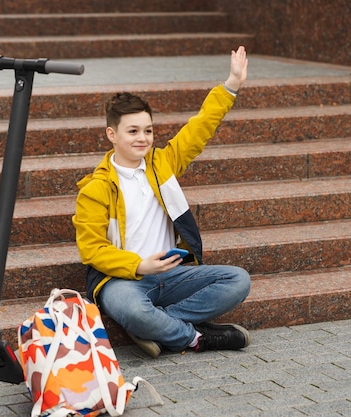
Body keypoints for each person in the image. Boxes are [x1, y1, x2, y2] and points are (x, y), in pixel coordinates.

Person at [72, 46, 251, 358]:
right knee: (132, 309)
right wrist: (140, 265)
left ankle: (156, 328)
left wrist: (231, 84)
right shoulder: (95, 188)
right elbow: (91, 249)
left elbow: (199, 128)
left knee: (238, 281)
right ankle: (197, 338)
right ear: (112, 134)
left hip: (172, 273)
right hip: (123, 280)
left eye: (148, 130)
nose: (143, 138)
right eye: (133, 131)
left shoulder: (162, 164)